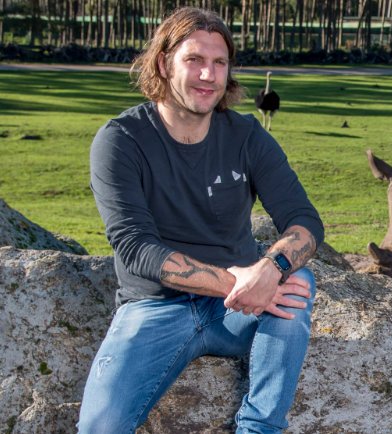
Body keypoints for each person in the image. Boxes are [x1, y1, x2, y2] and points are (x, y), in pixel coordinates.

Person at [78, 7, 324, 433]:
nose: (209, 75)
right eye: (194, 60)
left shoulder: (247, 136)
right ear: (163, 63)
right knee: (99, 428)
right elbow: (136, 249)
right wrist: (242, 285)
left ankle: (260, 427)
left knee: (298, 282)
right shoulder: (121, 141)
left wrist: (272, 268)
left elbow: (303, 220)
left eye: (219, 63)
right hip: (152, 308)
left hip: (235, 315)